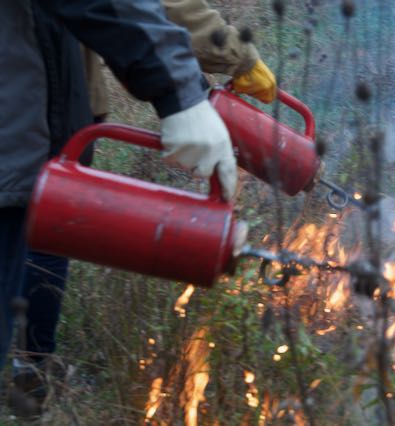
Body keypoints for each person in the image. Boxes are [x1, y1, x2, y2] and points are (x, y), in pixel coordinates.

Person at [1, 0, 273, 393]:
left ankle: (32, 367)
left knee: (42, 225)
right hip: (25, 113)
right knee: (46, 228)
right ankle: (34, 369)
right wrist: (187, 85)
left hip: (36, 104)